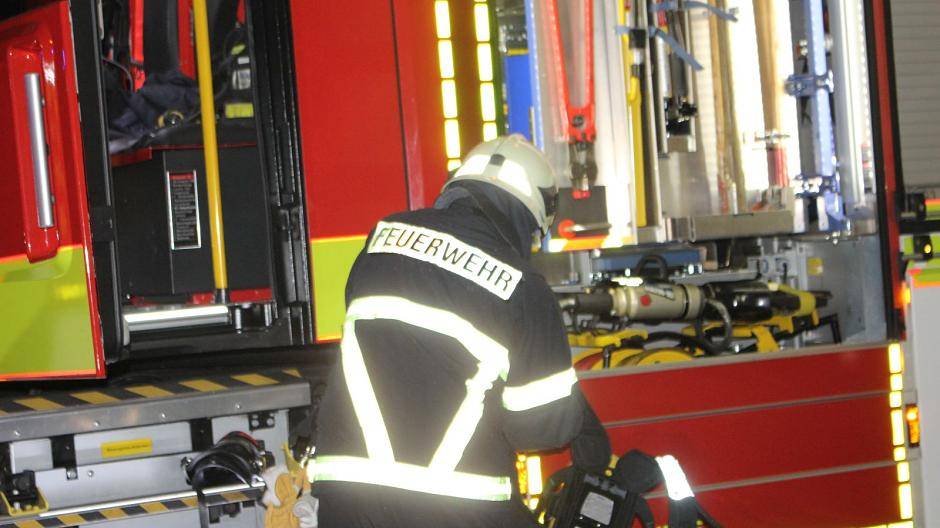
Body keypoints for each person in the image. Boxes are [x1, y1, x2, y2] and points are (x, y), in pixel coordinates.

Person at [311, 135, 611, 527]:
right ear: (529, 215)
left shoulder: (381, 240)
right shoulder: (523, 285)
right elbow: (540, 429)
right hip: (455, 505)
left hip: (345, 497)